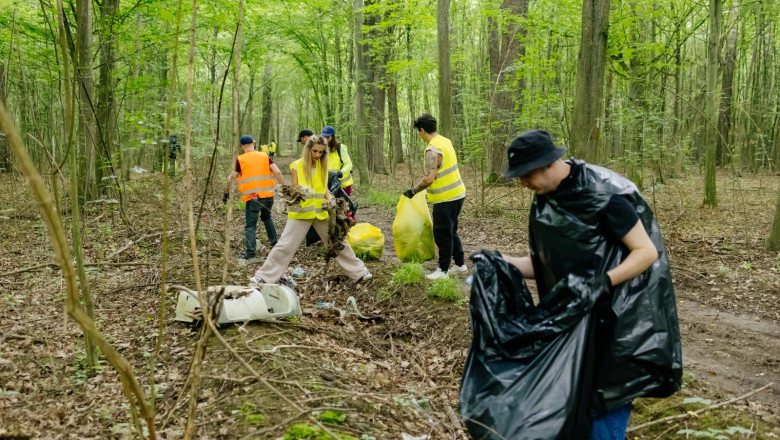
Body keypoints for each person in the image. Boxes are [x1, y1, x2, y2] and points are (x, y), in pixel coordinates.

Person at [499, 129, 681, 440]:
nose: (523, 183)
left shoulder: (604, 193)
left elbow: (646, 251)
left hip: (620, 324)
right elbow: (542, 268)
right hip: (576, 324)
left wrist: (602, 282)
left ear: (547, 163)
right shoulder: (545, 201)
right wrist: (500, 260)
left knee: (603, 412)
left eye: (526, 175)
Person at [250, 135, 372, 284]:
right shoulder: (296, 166)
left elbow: (325, 189)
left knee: (338, 242)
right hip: (301, 213)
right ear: (308, 149)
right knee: (285, 245)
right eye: (314, 151)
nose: (317, 155)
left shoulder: (323, 166)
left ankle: (360, 273)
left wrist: (331, 199)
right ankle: (264, 277)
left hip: (321, 213)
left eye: (321, 152)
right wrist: (300, 191)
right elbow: (294, 188)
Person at [402, 113, 467, 280]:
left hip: (445, 198)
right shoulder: (445, 141)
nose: (419, 135)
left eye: (418, 131)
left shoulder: (432, 149)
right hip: (458, 193)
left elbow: (429, 178)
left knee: (442, 234)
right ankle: (460, 265)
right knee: (451, 231)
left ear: (422, 130)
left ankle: (443, 271)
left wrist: (413, 190)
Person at [224, 135, 285, 260]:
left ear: (242, 147)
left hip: (253, 198)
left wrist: (226, 193)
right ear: (253, 144)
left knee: (250, 226)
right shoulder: (264, 155)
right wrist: (284, 188)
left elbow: (231, 178)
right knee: (267, 218)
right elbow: (277, 172)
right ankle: (275, 245)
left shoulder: (241, 159)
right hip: (268, 196)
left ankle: (250, 253)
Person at [321, 126, 354, 196]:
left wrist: (341, 172)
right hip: (328, 185)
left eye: (328, 137)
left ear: (333, 137)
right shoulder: (321, 149)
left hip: (343, 186)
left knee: (343, 206)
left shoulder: (340, 148)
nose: (325, 140)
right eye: (324, 137)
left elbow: (349, 164)